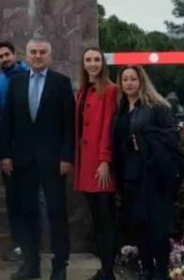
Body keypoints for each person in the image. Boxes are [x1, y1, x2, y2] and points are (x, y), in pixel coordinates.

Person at [0, 39, 74, 280]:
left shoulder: (61, 83)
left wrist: (66, 157)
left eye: (43, 52)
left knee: (56, 212)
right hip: (22, 161)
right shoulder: (16, 83)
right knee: (27, 213)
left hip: (54, 161)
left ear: (49, 56)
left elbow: (68, 125)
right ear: (27, 55)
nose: (38, 56)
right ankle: (31, 265)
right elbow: (7, 123)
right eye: (33, 52)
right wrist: (6, 154)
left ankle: (59, 265)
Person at [112, 66, 184, 280]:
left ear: (141, 81)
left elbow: (172, 137)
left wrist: (145, 143)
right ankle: (146, 269)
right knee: (139, 225)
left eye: (133, 79)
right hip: (130, 175)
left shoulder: (157, 107)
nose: (128, 83)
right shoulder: (121, 109)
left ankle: (160, 271)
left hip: (153, 174)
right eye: (124, 79)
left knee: (158, 226)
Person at [73, 48, 119, 280]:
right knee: (96, 219)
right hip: (85, 164)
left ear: (103, 63)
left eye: (96, 60)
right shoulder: (82, 91)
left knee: (105, 219)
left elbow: (109, 126)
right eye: (88, 60)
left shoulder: (110, 90)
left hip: (100, 166)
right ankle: (105, 268)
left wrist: (105, 160)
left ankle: (109, 270)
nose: (92, 64)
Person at [0, 41, 29, 262]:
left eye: (7, 54)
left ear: (16, 54)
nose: (5, 58)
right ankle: (19, 245)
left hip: (28, 149)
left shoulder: (27, 76)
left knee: (31, 200)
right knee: (13, 200)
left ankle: (32, 244)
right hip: (8, 149)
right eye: (0, 56)